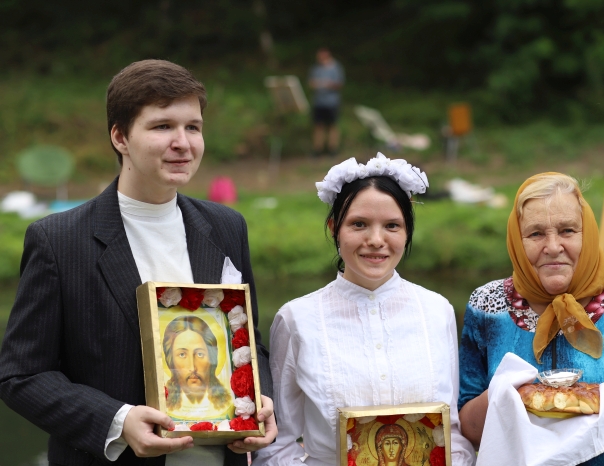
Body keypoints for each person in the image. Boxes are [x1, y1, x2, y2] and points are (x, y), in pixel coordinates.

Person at [0, 59, 277, 466]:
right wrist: (117, 420)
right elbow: (20, 375)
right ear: (120, 137)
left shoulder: (226, 226)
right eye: (162, 126)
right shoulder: (58, 240)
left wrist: (260, 399)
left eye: (193, 127)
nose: (183, 142)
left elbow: (249, 340)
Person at [458, 172, 604, 464]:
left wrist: (602, 400)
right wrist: (512, 398)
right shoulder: (486, 306)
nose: (553, 247)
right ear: (516, 240)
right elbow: (468, 429)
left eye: (567, 230)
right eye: (535, 233)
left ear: (587, 232)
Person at [253, 153, 475, 465]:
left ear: (407, 231)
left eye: (392, 226)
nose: (375, 240)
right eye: (359, 224)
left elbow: (452, 433)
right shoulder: (297, 319)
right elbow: (277, 442)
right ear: (334, 227)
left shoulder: (436, 311)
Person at [163, 316, 232, 420]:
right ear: (170, 360)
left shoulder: (228, 405)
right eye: (182, 354)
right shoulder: (164, 405)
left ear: (212, 357)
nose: (192, 367)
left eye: (200, 354)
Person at [308, 47, 344, 157]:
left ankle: (332, 149)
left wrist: (327, 84)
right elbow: (311, 83)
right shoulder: (316, 68)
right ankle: (317, 150)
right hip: (318, 102)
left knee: (333, 125)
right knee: (318, 126)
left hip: (332, 102)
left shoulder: (335, 67)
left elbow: (339, 84)